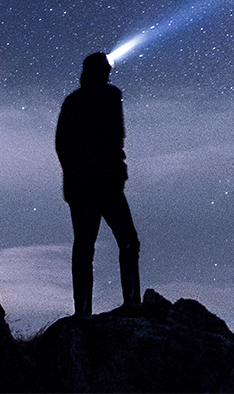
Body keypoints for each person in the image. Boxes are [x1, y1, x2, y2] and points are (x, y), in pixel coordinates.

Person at [55, 52, 140, 317]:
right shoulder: (110, 95)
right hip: (104, 183)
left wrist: (73, 175)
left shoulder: (72, 101)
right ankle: (132, 302)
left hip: (81, 186)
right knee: (127, 241)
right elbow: (115, 138)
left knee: (83, 247)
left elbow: (61, 144)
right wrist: (116, 170)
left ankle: (83, 311)